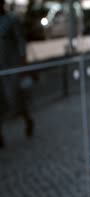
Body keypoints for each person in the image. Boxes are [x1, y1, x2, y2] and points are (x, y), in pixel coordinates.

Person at [0, 0, 34, 148]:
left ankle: (27, 118)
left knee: (14, 98)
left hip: (11, 66)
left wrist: (22, 63)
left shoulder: (11, 21)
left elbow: (21, 43)